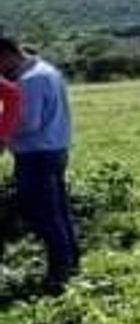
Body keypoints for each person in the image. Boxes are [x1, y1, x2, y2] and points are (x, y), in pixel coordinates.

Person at [0, 38, 78, 292]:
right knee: (59, 211)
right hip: (55, 149)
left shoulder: (30, 81)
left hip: (36, 155)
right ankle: (71, 260)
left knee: (44, 214)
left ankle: (58, 273)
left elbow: (27, 123)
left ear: (8, 54)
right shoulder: (47, 70)